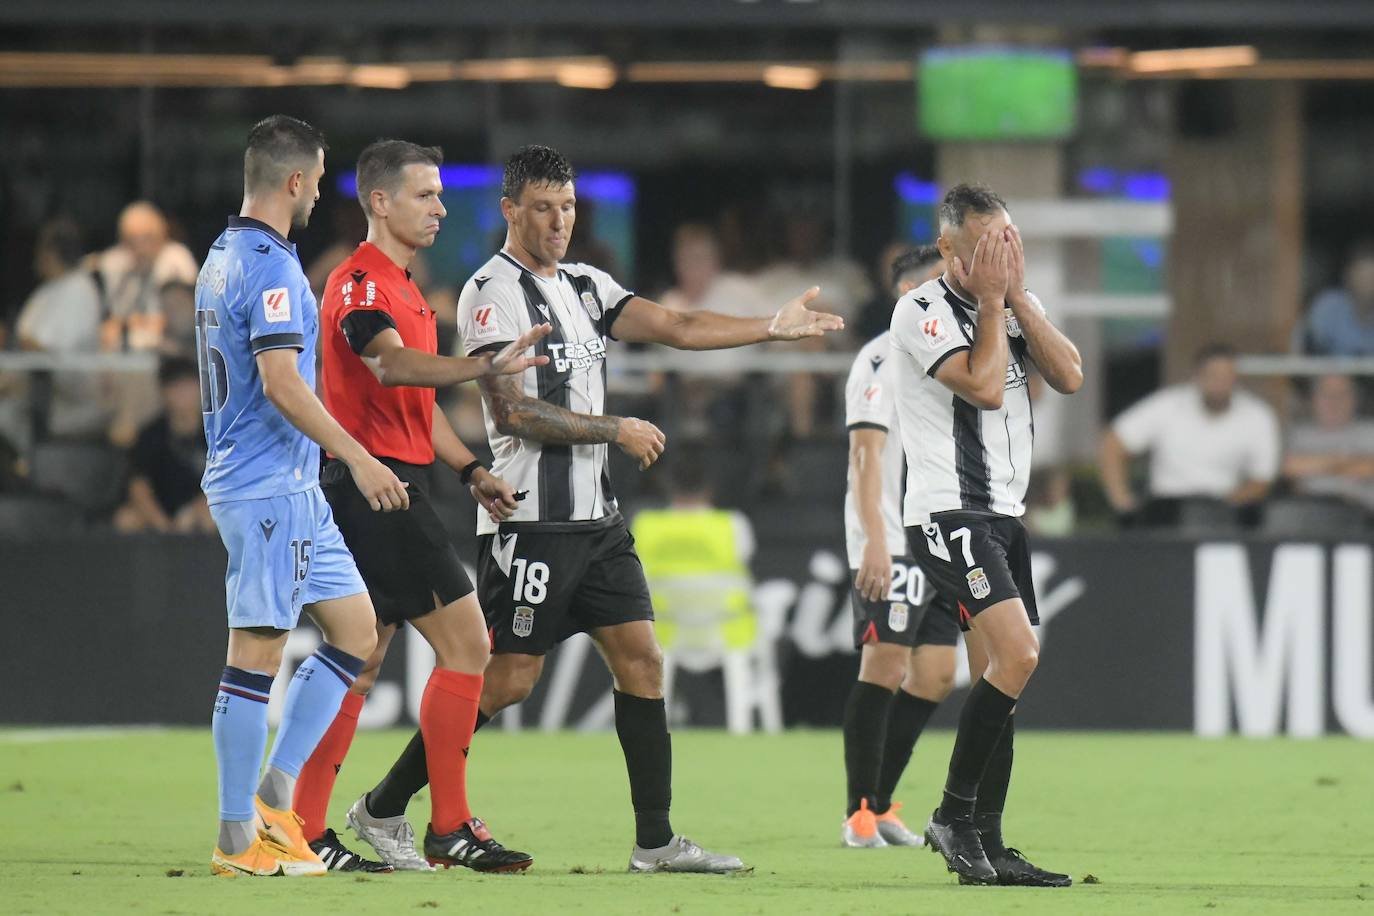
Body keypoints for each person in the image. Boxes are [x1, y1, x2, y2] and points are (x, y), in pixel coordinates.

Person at [445, 144, 839, 873]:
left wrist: (770, 327)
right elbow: (514, 412)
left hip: (597, 521)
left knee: (643, 662)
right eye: (542, 208)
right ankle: (386, 805)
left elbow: (681, 329)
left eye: (567, 208)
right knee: (509, 680)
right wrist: (614, 429)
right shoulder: (489, 293)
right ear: (509, 210)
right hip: (532, 518)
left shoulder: (587, 286)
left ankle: (654, 842)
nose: (559, 222)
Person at [292, 139, 549, 874]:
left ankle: (307, 828)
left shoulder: (404, 286)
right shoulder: (360, 285)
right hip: (377, 486)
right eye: (425, 194)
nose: (440, 206)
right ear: (379, 201)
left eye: (439, 195)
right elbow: (388, 362)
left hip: (392, 479)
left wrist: (469, 467)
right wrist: (484, 366)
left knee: (361, 659)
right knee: (468, 646)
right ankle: (449, 825)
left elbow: (412, 397)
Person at [198, 114, 408, 878]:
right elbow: (283, 382)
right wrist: (356, 456)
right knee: (256, 653)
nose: (323, 190)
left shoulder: (223, 256)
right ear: (293, 181)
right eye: (318, 178)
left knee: (354, 630)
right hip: (265, 488)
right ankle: (234, 840)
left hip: (286, 485)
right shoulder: (274, 269)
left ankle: (276, 801)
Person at [890, 184, 1082, 886]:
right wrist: (998, 304)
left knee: (999, 672)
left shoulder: (1012, 305)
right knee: (1019, 655)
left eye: (1011, 243)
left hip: (1003, 515)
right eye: (986, 249)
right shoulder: (920, 312)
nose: (1002, 259)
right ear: (948, 250)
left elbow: (1069, 375)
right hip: (949, 513)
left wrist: (1018, 299)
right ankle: (951, 817)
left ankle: (990, 843)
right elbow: (984, 386)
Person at [840, 244, 961, 849]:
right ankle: (858, 813)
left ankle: (882, 805)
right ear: (904, 293)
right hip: (891, 539)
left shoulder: (943, 359)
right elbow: (867, 455)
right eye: (931, 283)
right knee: (885, 665)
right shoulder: (881, 358)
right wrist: (875, 544)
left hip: (938, 536)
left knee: (936, 675)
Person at [1100, 344, 1281, 524]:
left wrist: (1223, 508)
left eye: (1226, 376)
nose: (1220, 384)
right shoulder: (1167, 405)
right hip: (1166, 512)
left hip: (1226, 512)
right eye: (1213, 376)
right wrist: (1122, 501)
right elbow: (1113, 442)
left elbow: (1262, 478)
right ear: (1197, 377)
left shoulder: (1257, 416)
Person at [14, 216, 108, 441]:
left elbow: (48, 351)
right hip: (34, 390)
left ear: (52, 252)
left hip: (69, 395)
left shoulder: (80, 288)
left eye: (42, 249)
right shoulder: (47, 289)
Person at [113, 357, 214, 534]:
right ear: (164, 392)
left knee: (214, 516)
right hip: (161, 512)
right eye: (176, 388)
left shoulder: (215, 432)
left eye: (188, 386)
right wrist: (163, 525)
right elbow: (138, 485)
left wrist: (192, 511)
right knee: (126, 520)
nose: (183, 395)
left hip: (200, 510)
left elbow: (227, 481)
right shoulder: (151, 435)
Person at [1283, 373, 1374, 513]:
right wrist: (1348, 462)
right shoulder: (1299, 434)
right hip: (1313, 515)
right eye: (1326, 394)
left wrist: (1315, 464)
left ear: (1354, 399)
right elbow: (1289, 467)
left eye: (1342, 394)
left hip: (1364, 516)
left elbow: (1369, 468)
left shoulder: (1369, 431)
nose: (1334, 401)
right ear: (1314, 400)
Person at [1295, 242, 1374, 356]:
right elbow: (1306, 351)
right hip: (1325, 372)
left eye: (1371, 278)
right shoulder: (1328, 307)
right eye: (1363, 277)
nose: (1367, 284)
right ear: (1349, 276)